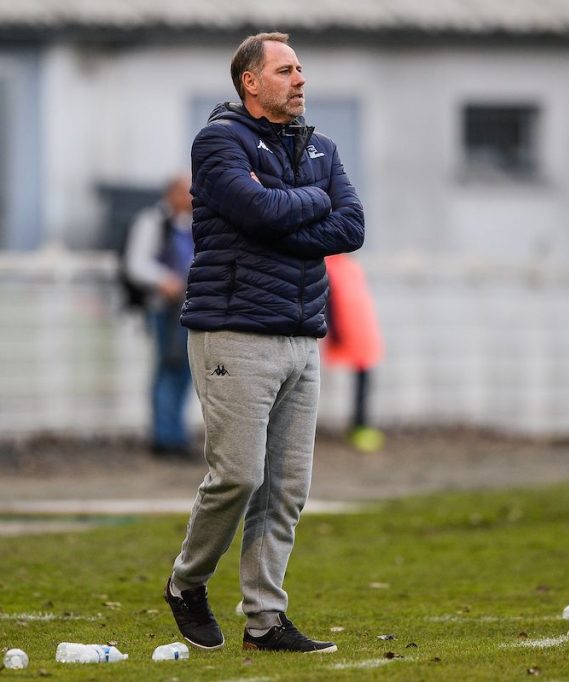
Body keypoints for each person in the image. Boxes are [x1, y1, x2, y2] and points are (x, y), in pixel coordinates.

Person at [164, 32, 364, 654]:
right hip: (234, 331)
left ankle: (265, 621)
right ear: (250, 82)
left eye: (300, 68)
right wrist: (311, 202)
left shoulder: (321, 146)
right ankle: (186, 582)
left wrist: (285, 213)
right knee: (239, 477)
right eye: (285, 70)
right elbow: (258, 213)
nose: (300, 79)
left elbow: (351, 226)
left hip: (301, 334)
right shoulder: (219, 141)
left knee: (286, 491)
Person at [123, 174, 196, 459]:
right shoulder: (151, 222)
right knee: (168, 366)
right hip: (164, 306)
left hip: (189, 307)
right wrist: (164, 280)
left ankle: (176, 434)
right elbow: (136, 263)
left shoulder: (191, 224)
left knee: (185, 370)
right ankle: (164, 436)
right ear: (172, 193)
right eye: (186, 192)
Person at [322, 253, 384, 452]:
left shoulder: (346, 266)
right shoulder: (334, 266)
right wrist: (333, 332)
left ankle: (360, 424)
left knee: (364, 376)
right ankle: (360, 424)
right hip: (350, 328)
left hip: (359, 329)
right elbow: (330, 303)